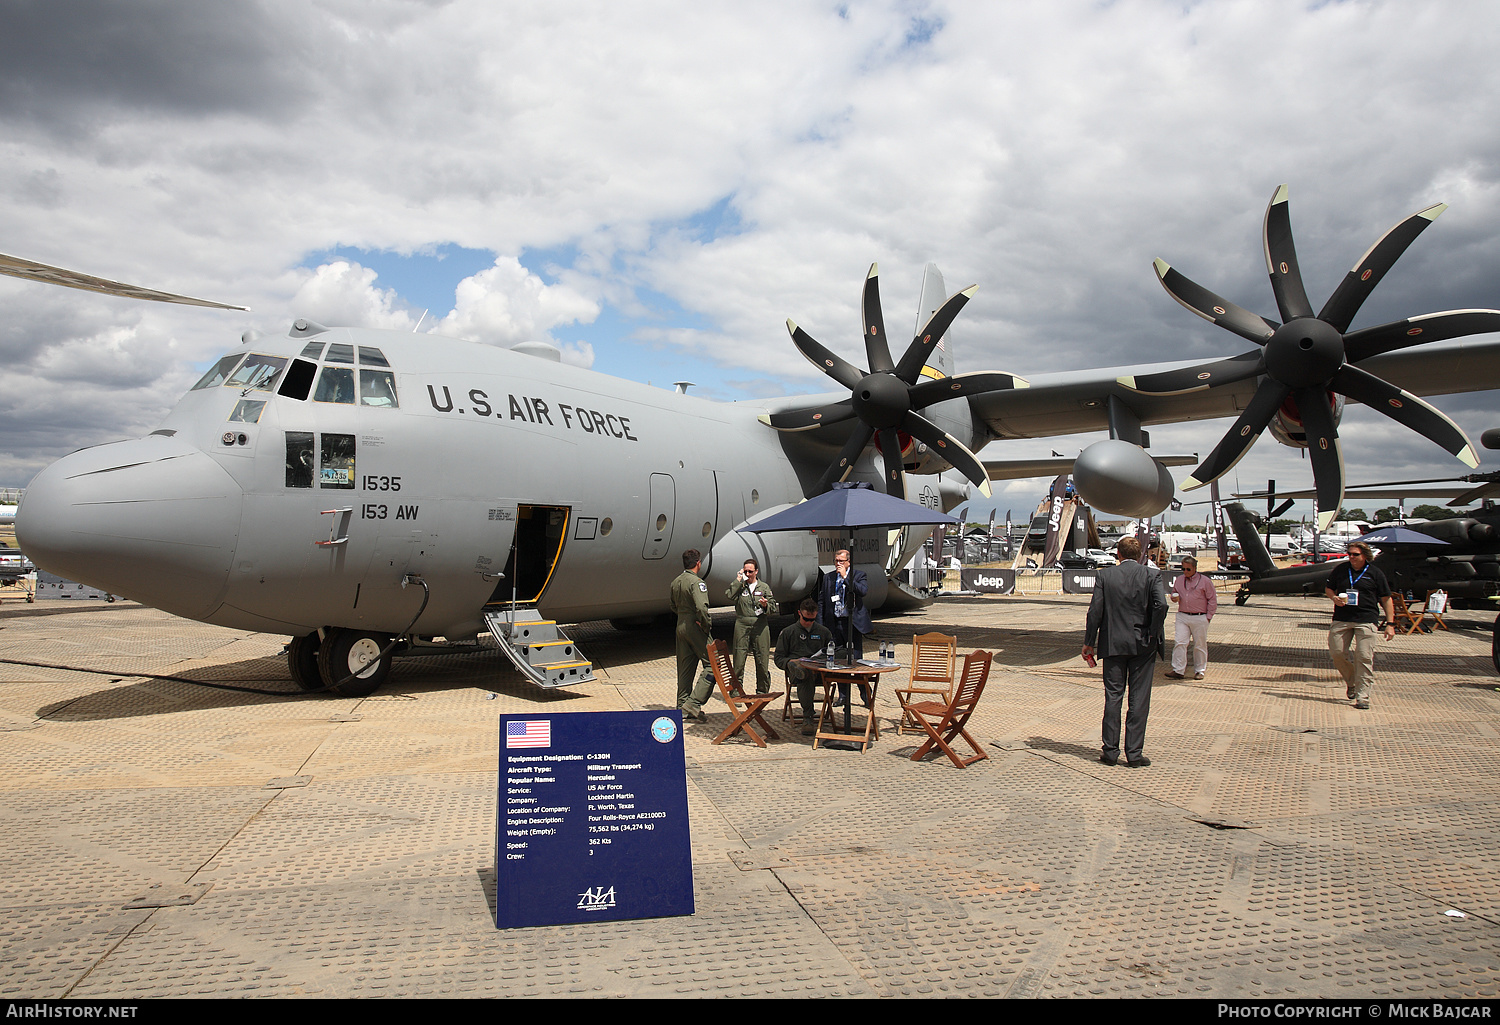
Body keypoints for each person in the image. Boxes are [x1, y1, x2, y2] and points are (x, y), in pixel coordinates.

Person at [1082, 536, 1168, 768]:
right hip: (1143, 644)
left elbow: (1095, 611)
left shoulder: (1105, 575)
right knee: (1139, 699)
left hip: (1113, 643)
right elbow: (1162, 605)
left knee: (1113, 696)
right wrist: (1152, 631)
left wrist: (1089, 641)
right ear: (1140, 555)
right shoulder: (1152, 575)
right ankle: (1134, 753)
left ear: (1118, 554)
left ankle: (1110, 751)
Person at [1324, 540, 1395, 710]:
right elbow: (1329, 588)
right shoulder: (1341, 570)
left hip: (1366, 619)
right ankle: (1352, 682)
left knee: (1363, 656)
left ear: (1365, 556)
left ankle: (1363, 695)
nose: (1351, 557)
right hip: (1342, 618)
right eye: (1349, 554)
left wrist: (1390, 623)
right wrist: (1334, 598)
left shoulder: (1375, 573)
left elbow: (1386, 598)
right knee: (1337, 653)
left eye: (1355, 555)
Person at [774, 598, 834, 735]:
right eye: (806, 619)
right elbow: (778, 658)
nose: (809, 623)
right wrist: (790, 663)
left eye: (812, 620)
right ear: (799, 613)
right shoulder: (788, 632)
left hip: (820, 670)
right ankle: (808, 717)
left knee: (843, 656)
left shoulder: (823, 632)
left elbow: (832, 651)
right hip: (799, 673)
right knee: (804, 674)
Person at [669, 549, 714, 721]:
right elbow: (702, 607)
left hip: (680, 624)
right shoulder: (697, 582)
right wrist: (705, 624)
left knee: (685, 667)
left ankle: (682, 706)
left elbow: (673, 605)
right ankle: (693, 703)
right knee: (713, 665)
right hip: (695, 625)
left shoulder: (676, 582)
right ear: (698, 563)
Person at [727, 558, 779, 693]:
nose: (748, 574)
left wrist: (765, 605)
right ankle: (736, 692)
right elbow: (729, 595)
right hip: (742, 624)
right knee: (738, 661)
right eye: (745, 571)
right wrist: (738, 579)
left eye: (750, 571)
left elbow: (773, 607)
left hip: (760, 625)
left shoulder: (764, 587)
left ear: (756, 571)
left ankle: (762, 691)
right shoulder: (740, 586)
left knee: (762, 660)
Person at [1165, 555, 1217, 680]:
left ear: (1194, 568)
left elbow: (1212, 599)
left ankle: (1200, 670)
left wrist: (1208, 616)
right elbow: (1174, 593)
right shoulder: (1179, 580)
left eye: (1188, 569)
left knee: (1199, 644)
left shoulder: (1205, 581)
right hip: (1183, 615)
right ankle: (1178, 669)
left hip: (1200, 616)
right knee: (1180, 642)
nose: (1185, 572)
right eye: (1183, 569)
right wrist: (1174, 598)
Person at [817, 549, 870, 659]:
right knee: (835, 654)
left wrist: (846, 577)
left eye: (841, 561)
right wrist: (820, 624)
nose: (838, 564)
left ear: (848, 562)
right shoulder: (828, 577)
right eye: (836, 561)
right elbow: (822, 602)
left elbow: (862, 591)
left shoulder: (859, 575)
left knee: (855, 656)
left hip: (851, 622)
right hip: (834, 622)